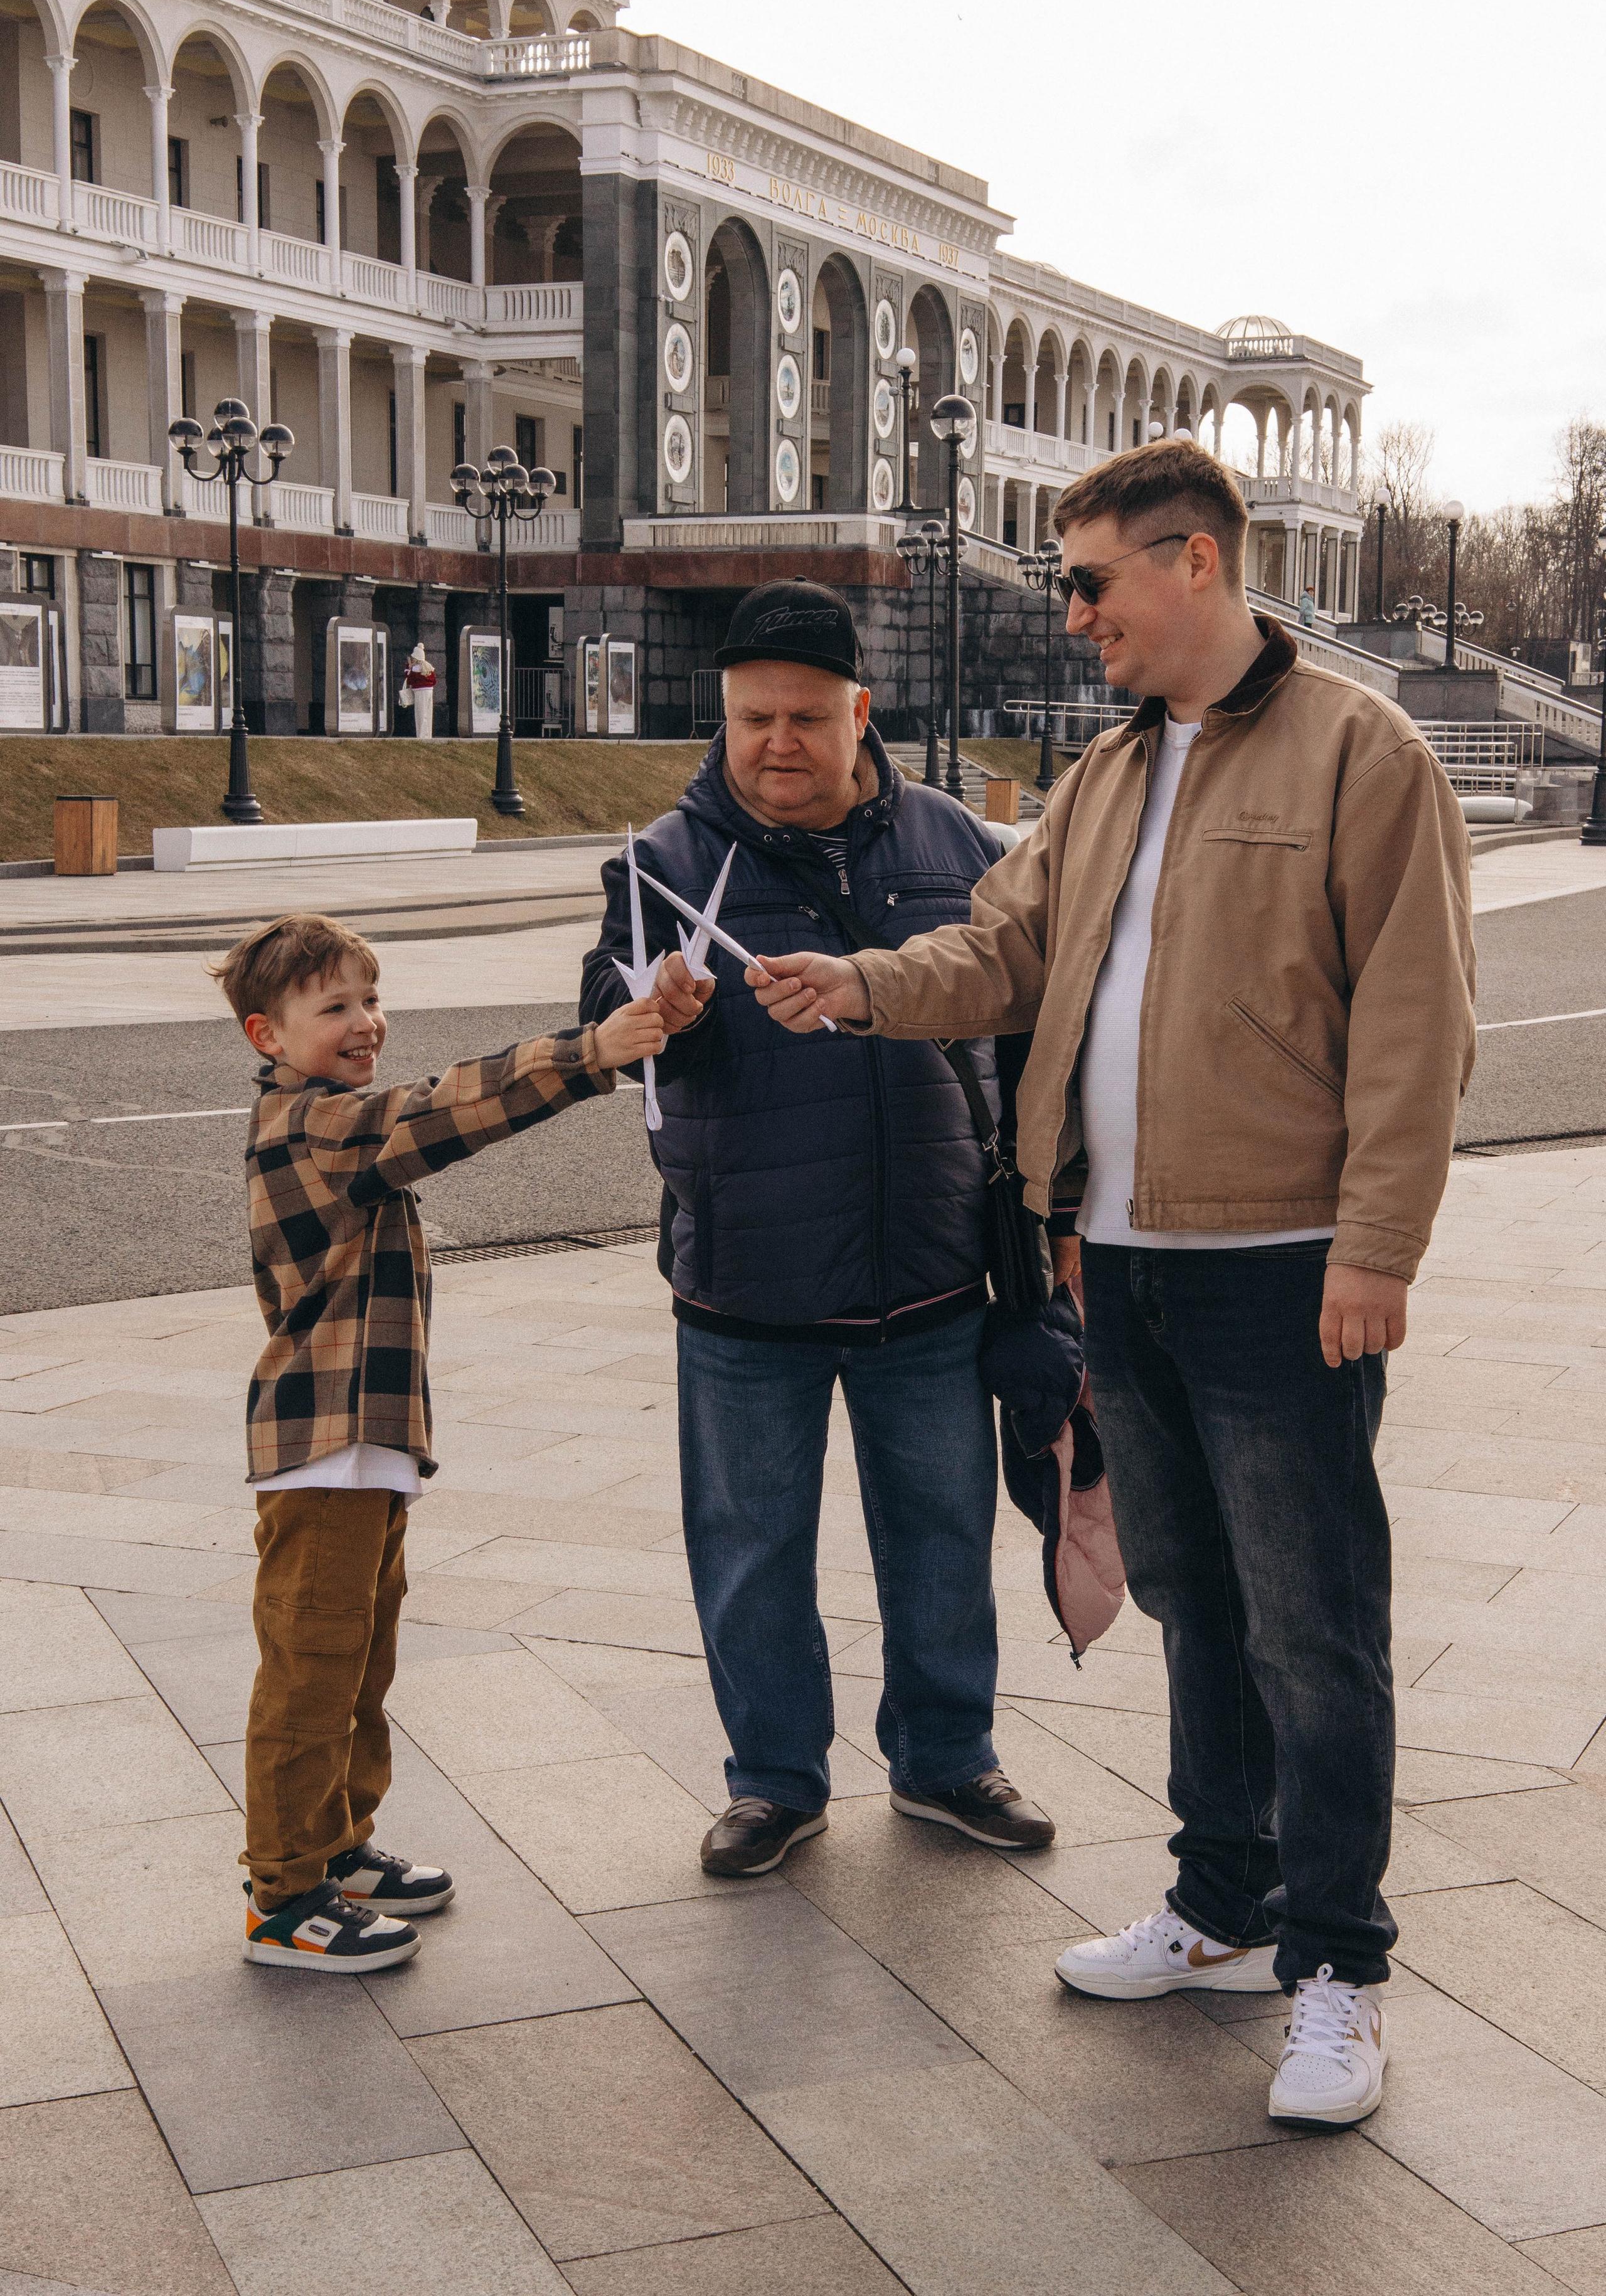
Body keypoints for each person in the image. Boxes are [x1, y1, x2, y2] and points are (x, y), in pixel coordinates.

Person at [747, 442, 1476, 2127]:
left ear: (1195, 564)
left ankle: (1341, 1971)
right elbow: (1001, 950)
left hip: (1284, 1267)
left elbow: (1421, 1026)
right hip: (1121, 1262)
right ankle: (1222, 1904)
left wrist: (1378, 1249)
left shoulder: (1364, 752)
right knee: (1194, 1604)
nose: (1072, 616)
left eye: (1089, 584)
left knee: (1316, 1624)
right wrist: (852, 983)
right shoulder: (1108, 774)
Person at [579, 579, 1055, 1878]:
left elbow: (1025, 1036)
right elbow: (608, 1033)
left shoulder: (957, 843)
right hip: (746, 1286)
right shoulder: (662, 867)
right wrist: (648, 1019)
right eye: (750, 720)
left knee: (944, 1540)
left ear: (859, 712)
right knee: (749, 1553)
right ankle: (773, 1782)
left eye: (802, 717)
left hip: (930, 1275)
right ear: (719, 717)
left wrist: (1037, 1215)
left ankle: (948, 1761)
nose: (775, 744)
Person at [213, 911, 663, 1972]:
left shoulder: (331, 1117)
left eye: (371, 1000)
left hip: (364, 1451)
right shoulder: (314, 1127)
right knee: (308, 1671)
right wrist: (591, 1051)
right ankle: (283, 1896)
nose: (366, 1023)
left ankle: (338, 1846)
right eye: (334, 1009)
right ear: (264, 1036)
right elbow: (440, 1112)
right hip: (320, 1453)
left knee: (360, 1662)